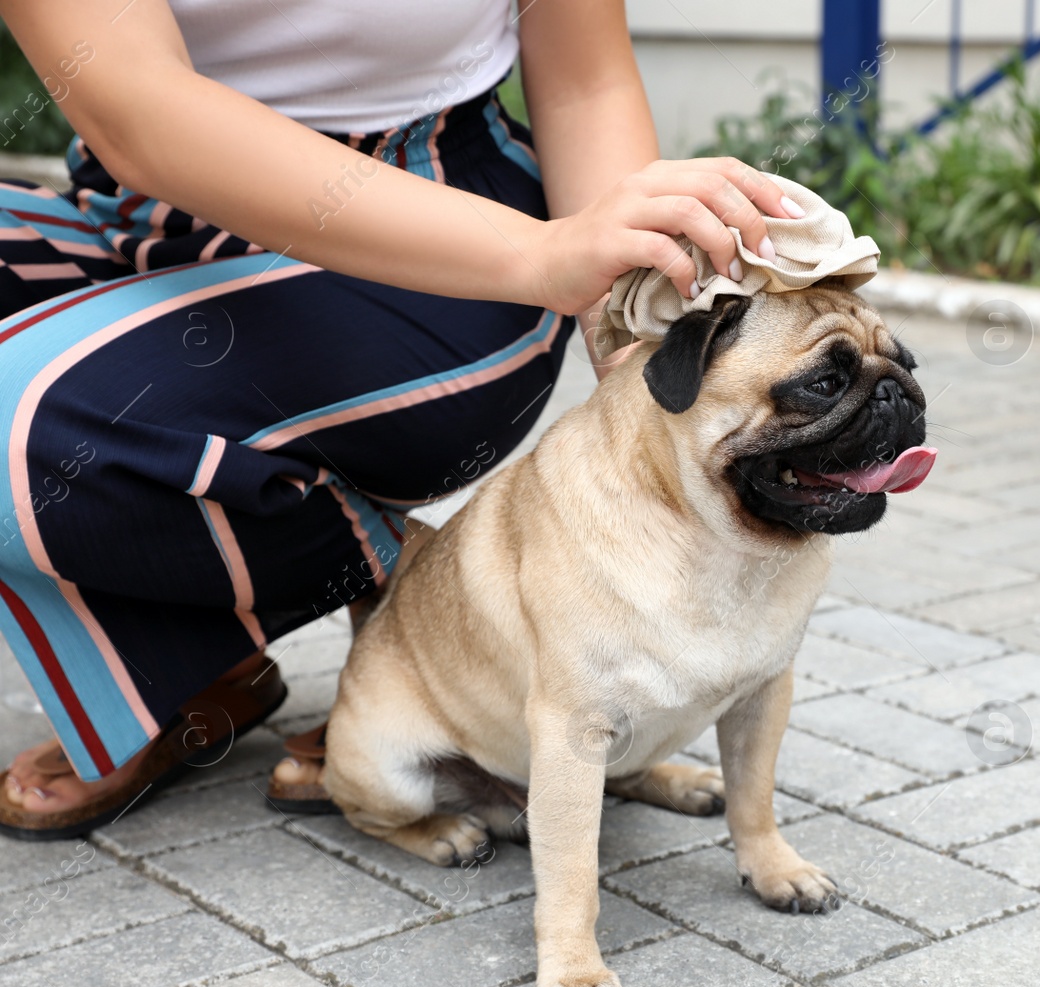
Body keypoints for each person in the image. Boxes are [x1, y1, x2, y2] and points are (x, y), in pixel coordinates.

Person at [0, 0, 802, 838]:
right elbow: (137, 107)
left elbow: (584, 80)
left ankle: (409, 640)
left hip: (438, 218)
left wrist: (628, 331)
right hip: (140, 200)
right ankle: (207, 652)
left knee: (17, 426)